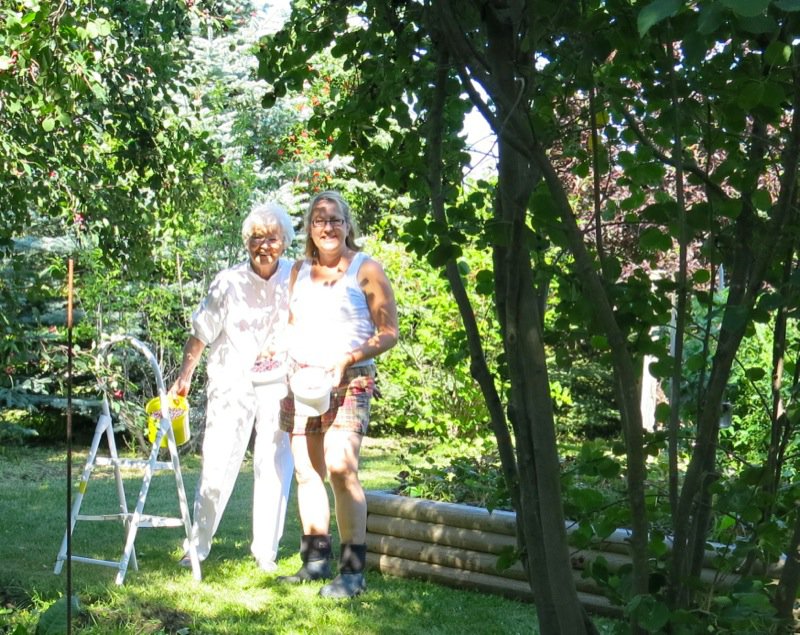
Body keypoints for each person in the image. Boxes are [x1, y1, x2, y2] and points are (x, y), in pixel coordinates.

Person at [277, 191, 398, 598]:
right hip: (302, 380)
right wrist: (278, 349)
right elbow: (292, 323)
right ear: (310, 229)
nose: (327, 227)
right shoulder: (298, 271)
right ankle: (314, 561)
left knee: (340, 468)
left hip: (350, 379)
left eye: (335, 219)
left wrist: (348, 358)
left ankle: (352, 572)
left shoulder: (367, 270)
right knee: (307, 471)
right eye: (318, 220)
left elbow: (388, 333)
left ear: (348, 226)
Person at [170, 202, 296, 572]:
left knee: (274, 463)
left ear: (284, 241)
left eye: (272, 238)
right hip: (230, 381)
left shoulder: (296, 276)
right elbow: (200, 333)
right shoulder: (228, 282)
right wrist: (184, 376)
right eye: (256, 238)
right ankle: (197, 545)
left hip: (278, 382)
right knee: (218, 460)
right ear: (246, 243)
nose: (264, 246)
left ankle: (266, 554)